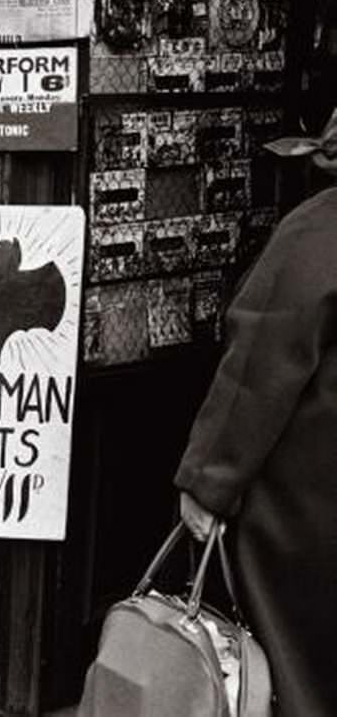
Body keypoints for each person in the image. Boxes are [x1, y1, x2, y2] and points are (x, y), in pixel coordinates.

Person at [175, 121, 337, 716]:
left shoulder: (320, 229)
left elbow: (258, 369)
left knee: (294, 665)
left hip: (311, 512)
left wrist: (207, 484)